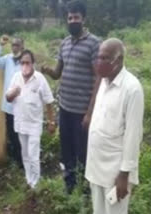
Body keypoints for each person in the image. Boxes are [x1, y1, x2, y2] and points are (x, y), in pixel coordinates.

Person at [41, 0, 101, 193]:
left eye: (76, 17)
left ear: (83, 19)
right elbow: (58, 73)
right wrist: (47, 70)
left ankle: (84, 192)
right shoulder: (65, 43)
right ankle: (70, 187)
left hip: (81, 111)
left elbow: (98, 78)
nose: (72, 21)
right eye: (69, 18)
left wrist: (90, 113)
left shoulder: (94, 43)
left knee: (82, 152)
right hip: (65, 108)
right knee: (66, 150)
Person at [85, 38, 144, 214]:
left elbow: (133, 136)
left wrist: (124, 175)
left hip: (115, 172)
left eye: (105, 58)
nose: (99, 62)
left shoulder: (132, 89)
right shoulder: (103, 82)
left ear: (118, 60)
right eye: (98, 57)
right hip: (96, 166)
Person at [6, 50, 56, 189]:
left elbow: (49, 101)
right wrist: (13, 93)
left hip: (34, 124)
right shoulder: (16, 77)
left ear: (33, 64)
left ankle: (36, 184)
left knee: (33, 155)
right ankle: (29, 180)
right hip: (20, 123)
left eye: (28, 62)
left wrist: (51, 122)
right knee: (25, 154)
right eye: (22, 62)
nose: (25, 65)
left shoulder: (40, 79)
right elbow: (8, 98)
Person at [0, 35, 24, 168]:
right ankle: (16, 159)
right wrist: (1, 45)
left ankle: (23, 160)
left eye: (17, 45)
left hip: (22, 105)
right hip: (9, 105)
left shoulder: (26, 60)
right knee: (11, 133)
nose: (14, 47)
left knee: (21, 133)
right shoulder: (7, 59)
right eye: (13, 45)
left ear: (22, 46)